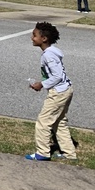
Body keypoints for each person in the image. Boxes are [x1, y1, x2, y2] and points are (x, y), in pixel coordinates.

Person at [26, 21, 77, 161]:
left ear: (44, 39)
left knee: (43, 122)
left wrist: (41, 84)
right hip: (66, 89)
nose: (32, 37)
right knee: (59, 122)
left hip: (59, 92)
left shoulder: (49, 55)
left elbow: (57, 75)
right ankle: (69, 153)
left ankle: (42, 153)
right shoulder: (51, 52)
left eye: (34, 35)